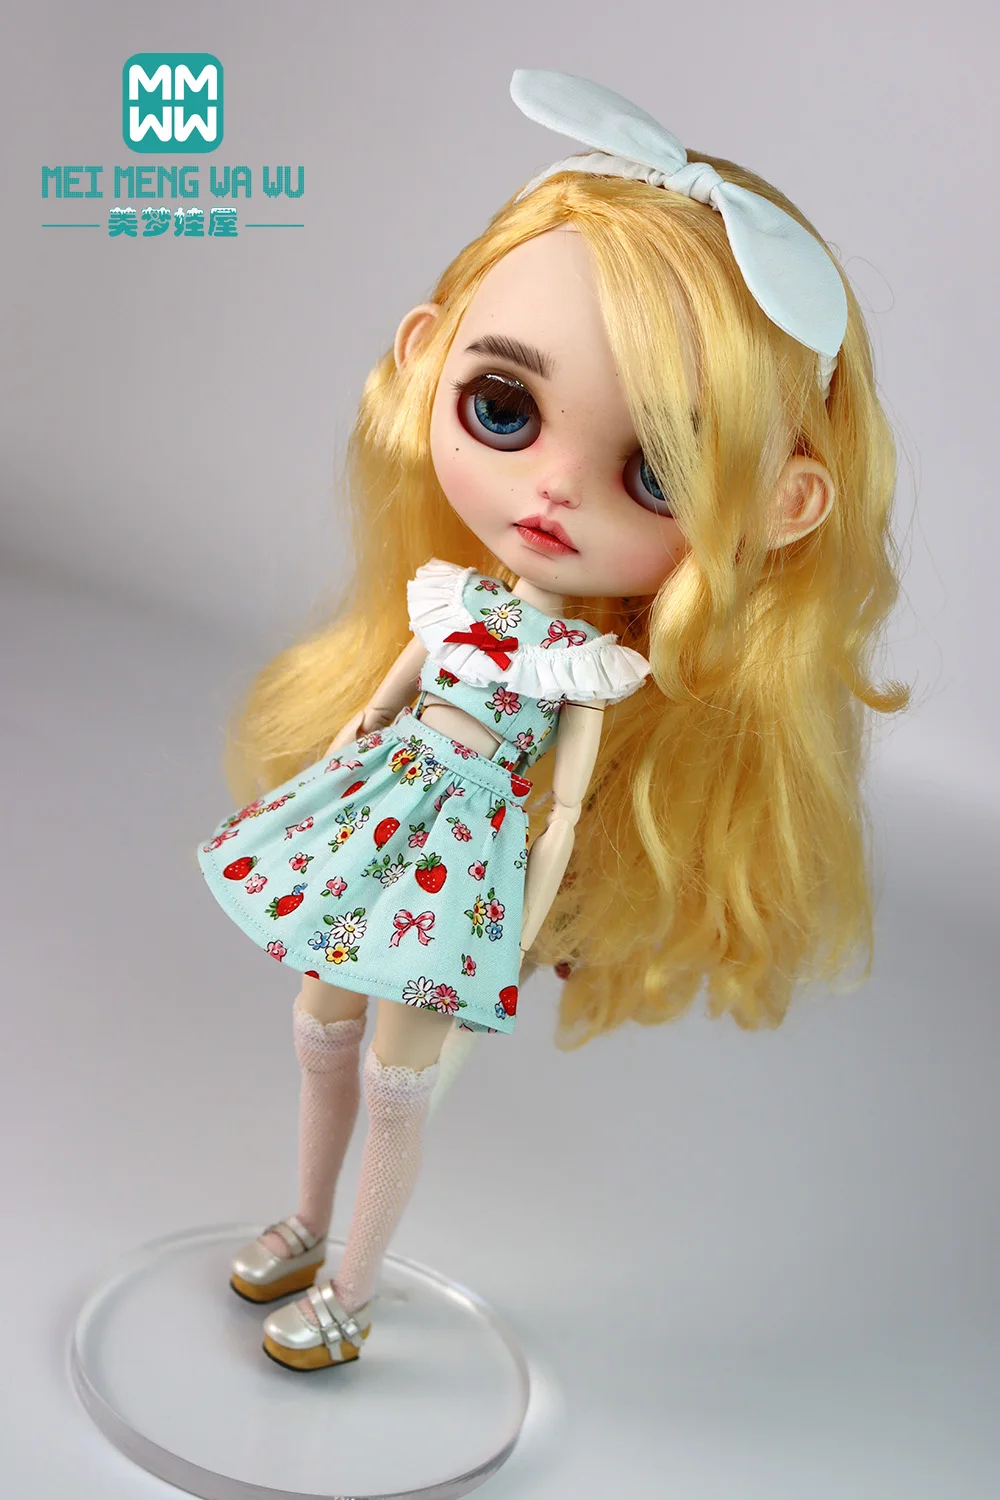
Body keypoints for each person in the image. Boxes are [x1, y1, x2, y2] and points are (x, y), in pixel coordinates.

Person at [197, 70, 908, 1371]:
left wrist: (525, 917)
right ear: (425, 356)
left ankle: (350, 1288)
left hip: (465, 870)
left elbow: (569, 796)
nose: (553, 491)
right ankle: (300, 1220)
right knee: (317, 1024)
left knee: (401, 1085)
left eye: (660, 472)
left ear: (782, 509)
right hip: (381, 820)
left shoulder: (581, 666)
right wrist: (339, 767)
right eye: (505, 411)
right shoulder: (452, 600)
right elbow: (383, 703)